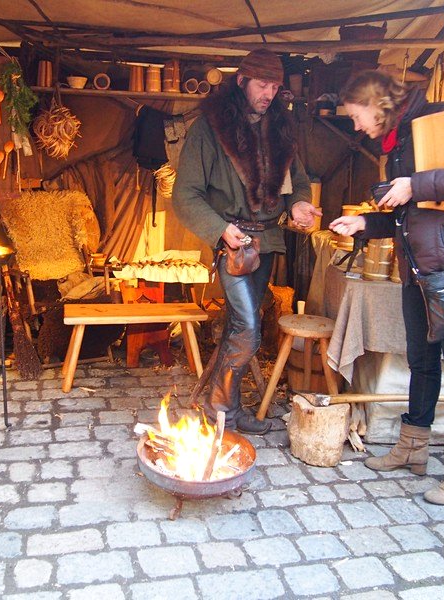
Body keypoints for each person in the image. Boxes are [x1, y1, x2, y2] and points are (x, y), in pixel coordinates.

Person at [329, 70, 444, 504]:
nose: (355, 126)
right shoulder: (398, 142)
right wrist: (365, 223)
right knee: (421, 363)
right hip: (419, 270)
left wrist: (414, 183)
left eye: (356, 116)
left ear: (377, 104)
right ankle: (413, 447)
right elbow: (411, 213)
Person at [173, 49, 320, 435]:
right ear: (241, 82)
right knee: (250, 328)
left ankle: (223, 410)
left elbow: (298, 180)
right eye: (261, 84)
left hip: (269, 240)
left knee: (240, 325)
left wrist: (301, 203)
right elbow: (185, 194)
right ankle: (219, 406)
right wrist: (221, 230)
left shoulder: (281, 127)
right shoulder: (210, 128)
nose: (268, 93)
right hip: (233, 243)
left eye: (274, 86)